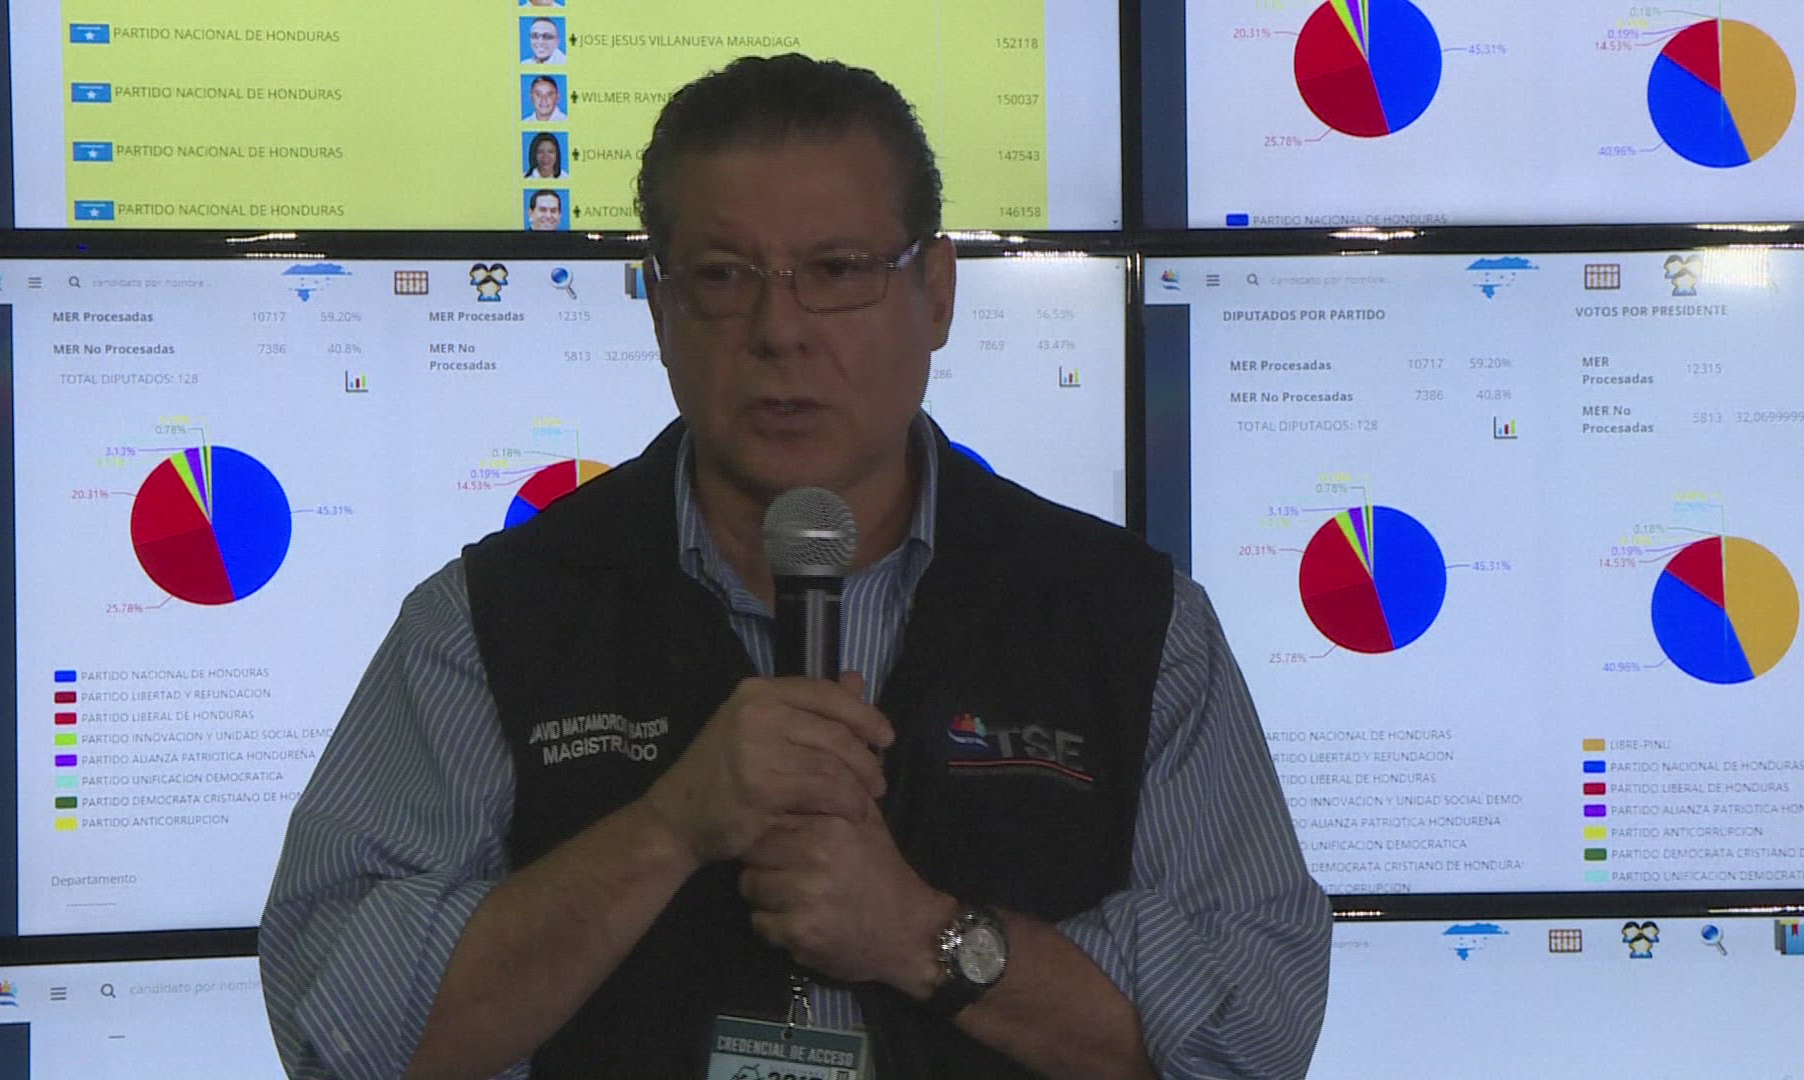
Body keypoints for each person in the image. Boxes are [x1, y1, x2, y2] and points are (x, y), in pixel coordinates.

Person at [260, 53, 1330, 1080]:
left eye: (837, 271)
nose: (780, 331)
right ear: (660, 309)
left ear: (938, 294)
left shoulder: (1130, 622)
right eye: (724, 277)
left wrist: (921, 934)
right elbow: (345, 1037)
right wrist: (667, 829)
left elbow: (1249, 1042)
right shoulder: (491, 619)